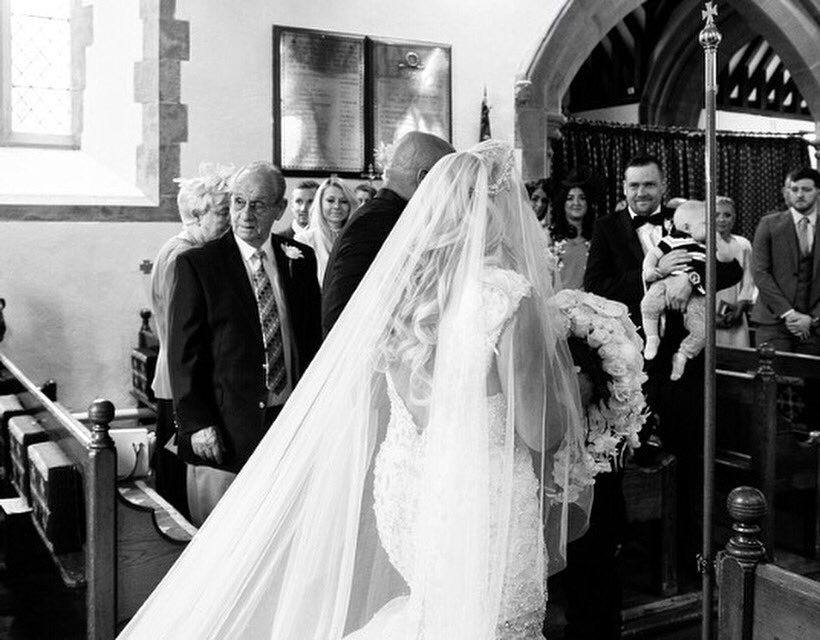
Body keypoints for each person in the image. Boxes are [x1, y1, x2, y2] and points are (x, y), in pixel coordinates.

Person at [118, 140, 593, 639]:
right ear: (493, 211)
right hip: (483, 501)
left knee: (435, 615)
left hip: (416, 494)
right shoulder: (507, 300)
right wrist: (578, 388)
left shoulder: (407, 292)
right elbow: (544, 432)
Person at [580, 155, 742, 639]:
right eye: (633, 186)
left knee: (691, 453)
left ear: (662, 185)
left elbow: (728, 273)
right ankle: (632, 553)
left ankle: (696, 555)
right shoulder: (608, 229)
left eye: (649, 185)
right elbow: (595, 288)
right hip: (630, 363)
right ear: (624, 188)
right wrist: (652, 276)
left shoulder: (685, 218)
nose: (640, 193)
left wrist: (687, 277)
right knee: (630, 461)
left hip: (683, 366)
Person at [167, 161, 322, 526]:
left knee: (282, 526)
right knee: (227, 533)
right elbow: (183, 353)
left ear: (279, 209)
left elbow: (311, 338)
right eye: (238, 202)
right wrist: (198, 421)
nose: (246, 214)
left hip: (287, 417)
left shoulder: (299, 259)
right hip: (228, 423)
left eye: (258, 204)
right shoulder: (199, 264)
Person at [149, 166, 232, 517]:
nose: (231, 220)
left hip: (175, 375)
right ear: (197, 215)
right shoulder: (183, 256)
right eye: (223, 212)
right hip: (179, 380)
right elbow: (182, 329)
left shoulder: (185, 249)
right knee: (179, 469)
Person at [321, 131, 455, 335]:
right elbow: (339, 312)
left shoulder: (389, 216)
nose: (452, 194)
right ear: (424, 179)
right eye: (449, 181)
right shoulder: (377, 222)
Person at [641, 200, 734, 380]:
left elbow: (729, 265)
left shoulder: (708, 245)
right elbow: (652, 255)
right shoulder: (672, 239)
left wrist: (717, 240)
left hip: (697, 293)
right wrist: (652, 270)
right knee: (648, 304)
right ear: (687, 226)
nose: (710, 226)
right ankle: (652, 336)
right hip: (665, 282)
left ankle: (683, 354)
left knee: (703, 329)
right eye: (706, 223)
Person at [751, 166, 820, 355]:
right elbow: (760, 273)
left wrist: (813, 318)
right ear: (787, 192)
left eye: (806, 190)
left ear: (818, 192)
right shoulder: (769, 224)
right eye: (794, 189)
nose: (799, 195)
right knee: (772, 380)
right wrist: (789, 313)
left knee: (813, 382)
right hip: (773, 321)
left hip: (814, 326)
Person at [295, 177, 358, 287]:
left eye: (343, 201)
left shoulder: (357, 240)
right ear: (320, 203)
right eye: (330, 200)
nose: (337, 206)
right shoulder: (304, 240)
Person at [715, 196, 755, 347]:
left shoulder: (743, 244)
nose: (722, 219)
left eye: (727, 215)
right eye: (717, 214)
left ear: (734, 218)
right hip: (704, 314)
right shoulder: (698, 245)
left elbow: (748, 280)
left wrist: (739, 308)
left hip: (733, 312)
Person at [548, 171, 598, 291]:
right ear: (563, 203)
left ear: (588, 203)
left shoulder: (597, 236)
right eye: (570, 198)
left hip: (591, 304)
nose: (576, 203)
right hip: (557, 304)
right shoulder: (550, 237)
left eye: (582, 198)